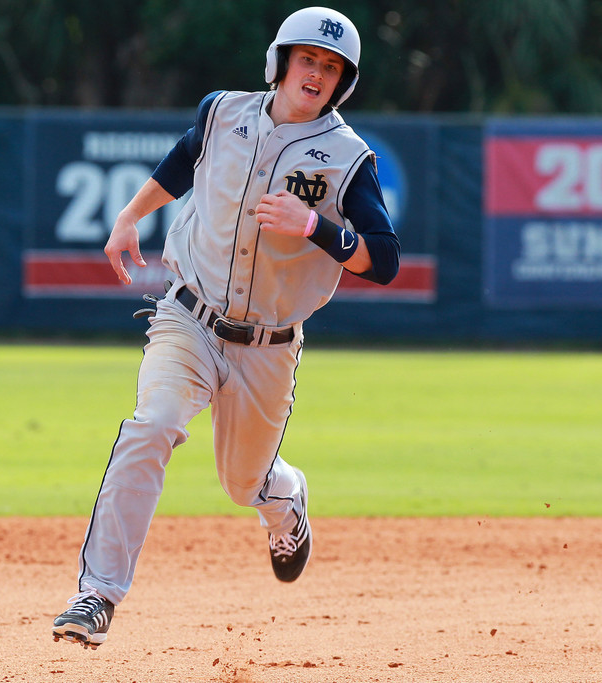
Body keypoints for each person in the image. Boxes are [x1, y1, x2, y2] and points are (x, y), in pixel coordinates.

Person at [52, 5, 400, 650]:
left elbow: (384, 260)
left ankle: (285, 500)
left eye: (331, 67)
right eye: (307, 59)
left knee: (244, 484)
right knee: (152, 425)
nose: (316, 74)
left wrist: (314, 226)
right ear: (280, 62)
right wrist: (130, 215)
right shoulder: (223, 112)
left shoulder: (348, 158)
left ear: (343, 83)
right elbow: (184, 159)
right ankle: (96, 594)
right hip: (188, 316)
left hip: (268, 345)